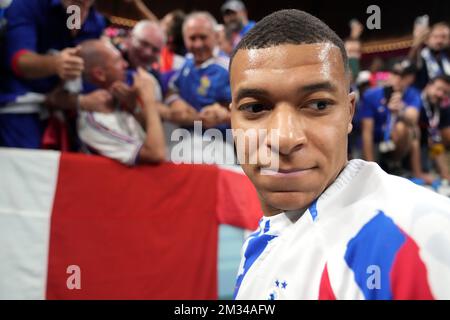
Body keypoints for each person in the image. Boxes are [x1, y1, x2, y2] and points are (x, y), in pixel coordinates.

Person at [229, 9, 450, 300]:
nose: (284, 138)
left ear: (350, 112)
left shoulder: (420, 236)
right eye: (256, 108)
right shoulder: (263, 241)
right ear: (232, 119)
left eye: (318, 105)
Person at [0, 0, 111, 149]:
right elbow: (19, 61)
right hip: (21, 108)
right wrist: (55, 64)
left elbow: (87, 66)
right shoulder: (29, 5)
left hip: (65, 112)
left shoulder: (93, 21)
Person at [77, 40, 166, 165]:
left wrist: (134, 106)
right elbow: (156, 153)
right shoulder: (93, 122)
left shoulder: (120, 102)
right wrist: (149, 101)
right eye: (118, 61)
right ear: (100, 74)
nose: (125, 64)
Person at [165, 12, 231, 130]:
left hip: (217, 141)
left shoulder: (228, 67)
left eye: (203, 37)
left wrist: (225, 115)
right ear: (185, 39)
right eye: (192, 38)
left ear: (215, 36)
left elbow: (246, 109)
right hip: (183, 136)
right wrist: (175, 101)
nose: (198, 44)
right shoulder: (188, 61)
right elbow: (172, 88)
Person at [360, 61, 421, 173]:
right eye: (394, 74)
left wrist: (401, 110)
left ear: (410, 78)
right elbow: (366, 132)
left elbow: (413, 119)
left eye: (402, 76)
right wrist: (370, 169)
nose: (397, 79)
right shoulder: (371, 95)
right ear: (388, 75)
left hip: (398, 145)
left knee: (408, 129)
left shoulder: (413, 94)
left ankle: (398, 166)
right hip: (376, 143)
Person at [411, 75, 450, 183]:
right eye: (438, 89)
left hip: (424, 146)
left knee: (437, 138)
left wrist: (445, 173)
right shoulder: (416, 98)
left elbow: (436, 139)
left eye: (445, 92)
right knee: (414, 132)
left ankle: (443, 173)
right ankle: (417, 172)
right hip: (403, 144)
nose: (440, 94)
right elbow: (413, 133)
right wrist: (418, 174)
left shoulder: (440, 108)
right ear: (428, 86)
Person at [409, 21, 450, 90]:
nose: (439, 41)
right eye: (435, 37)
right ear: (427, 39)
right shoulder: (421, 56)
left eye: (443, 37)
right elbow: (411, 64)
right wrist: (417, 42)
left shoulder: (446, 56)